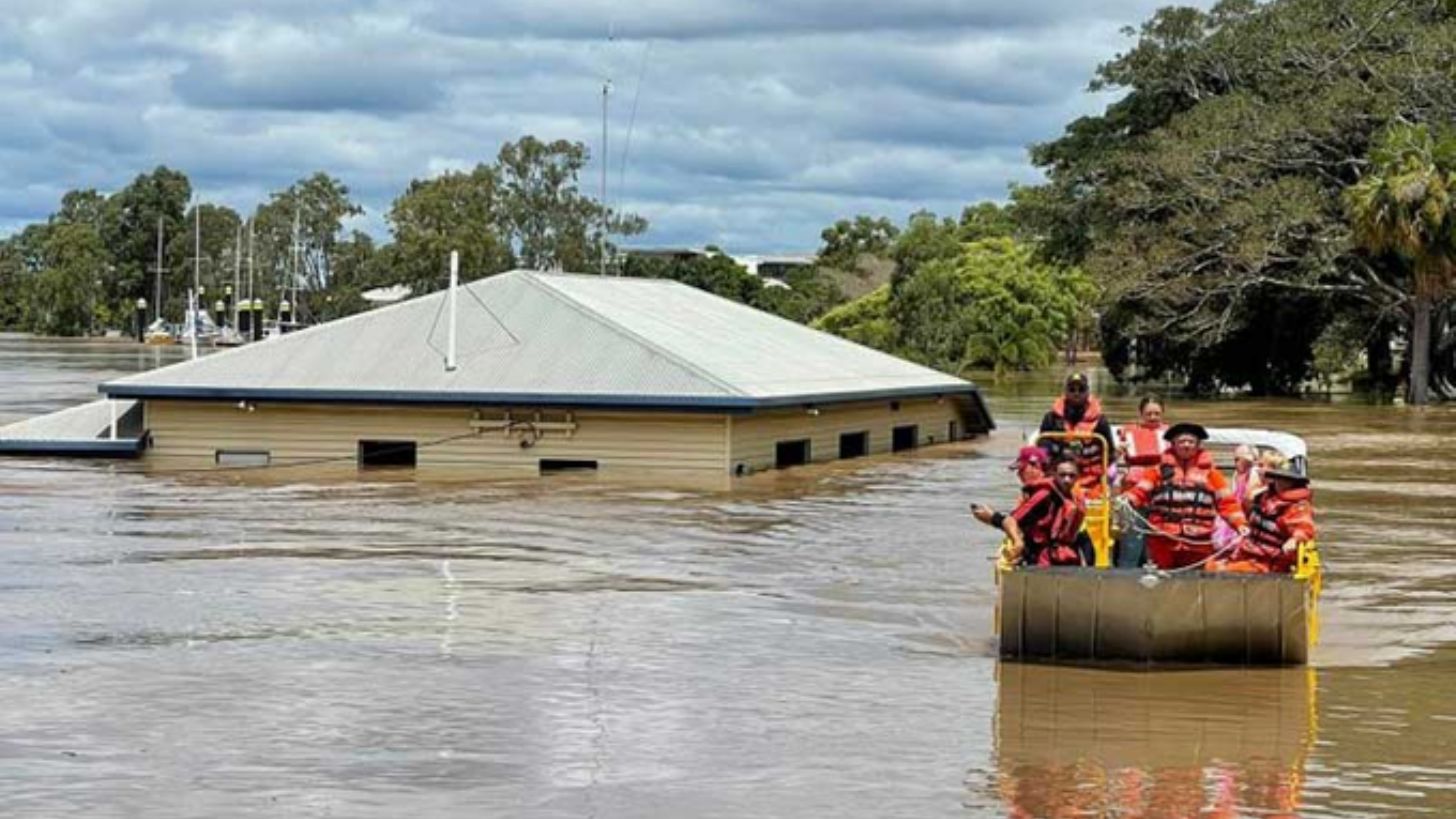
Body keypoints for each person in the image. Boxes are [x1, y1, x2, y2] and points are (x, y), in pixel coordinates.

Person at [1122, 422, 1250, 570]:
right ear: (1173, 444)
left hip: (1198, 543)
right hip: (1163, 541)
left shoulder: (1211, 474)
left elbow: (1227, 503)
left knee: (1197, 578)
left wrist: (1240, 524)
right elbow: (1140, 491)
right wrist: (1127, 499)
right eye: (1182, 441)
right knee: (1160, 578)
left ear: (1198, 445)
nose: (1186, 445)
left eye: (1191, 442)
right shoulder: (1157, 471)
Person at [975, 457, 1092, 567]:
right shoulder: (1044, 495)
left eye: (1072, 476)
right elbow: (1012, 520)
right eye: (1062, 475)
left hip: (1065, 556)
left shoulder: (1075, 498)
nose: (1067, 480)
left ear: (1078, 477)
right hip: (1040, 558)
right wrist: (995, 519)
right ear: (1054, 474)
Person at [1207, 466, 1316, 574]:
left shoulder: (1299, 506)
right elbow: (1245, 512)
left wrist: (1294, 540)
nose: (1280, 483)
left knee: (1218, 570)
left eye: (1286, 480)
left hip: (1268, 561)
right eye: (1278, 478)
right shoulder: (1263, 496)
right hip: (1246, 552)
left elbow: (1305, 527)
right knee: (1209, 565)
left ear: (1294, 483)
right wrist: (1248, 503)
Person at [1038, 372, 1116, 498]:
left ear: (1087, 392)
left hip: (1089, 478)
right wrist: (1061, 450)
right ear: (1066, 392)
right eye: (1072, 389)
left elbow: (1109, 453)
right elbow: (1041, 448)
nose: (1076, 393)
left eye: (1081, 389)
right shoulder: (1051, 418)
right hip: (1059, 475)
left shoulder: (1100, 421)